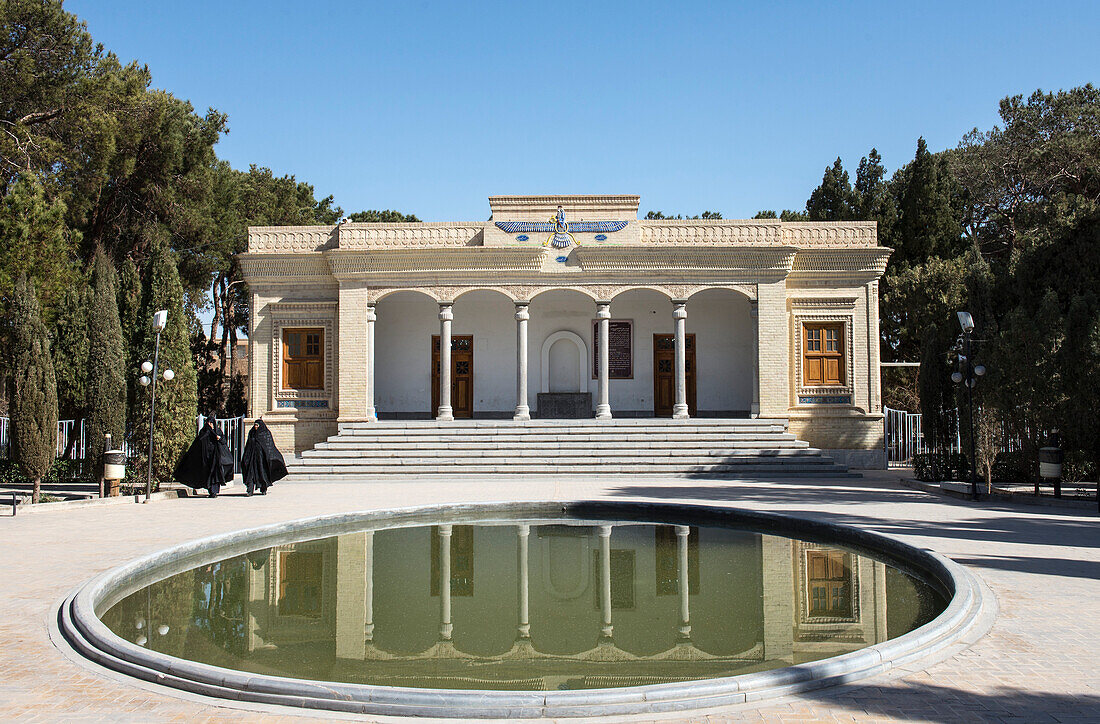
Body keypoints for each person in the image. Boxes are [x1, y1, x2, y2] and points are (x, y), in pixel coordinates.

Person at [174, 416, 234, 498]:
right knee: (208, 474)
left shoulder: (218, 431)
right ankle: (211, 491)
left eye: (211, 423)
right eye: (208, 423)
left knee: (215, 474)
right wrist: (208, 433)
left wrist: (218, 438)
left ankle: (214, 491)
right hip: (206, 458)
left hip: (216, 457)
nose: (210, 425)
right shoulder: (204, 431)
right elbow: (199, 441)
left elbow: (223, 442)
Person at [241, 418, 287, 496]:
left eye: (257, 425)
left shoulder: (265, 434)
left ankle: (263, 488)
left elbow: (269, 446)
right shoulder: (252, 433)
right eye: (255, 425)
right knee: (250, 474)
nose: (256, 427)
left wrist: (270, 456)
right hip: (252, 458)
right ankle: (249, 490)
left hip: (261, 460)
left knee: (262, 474)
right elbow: (248, 445)